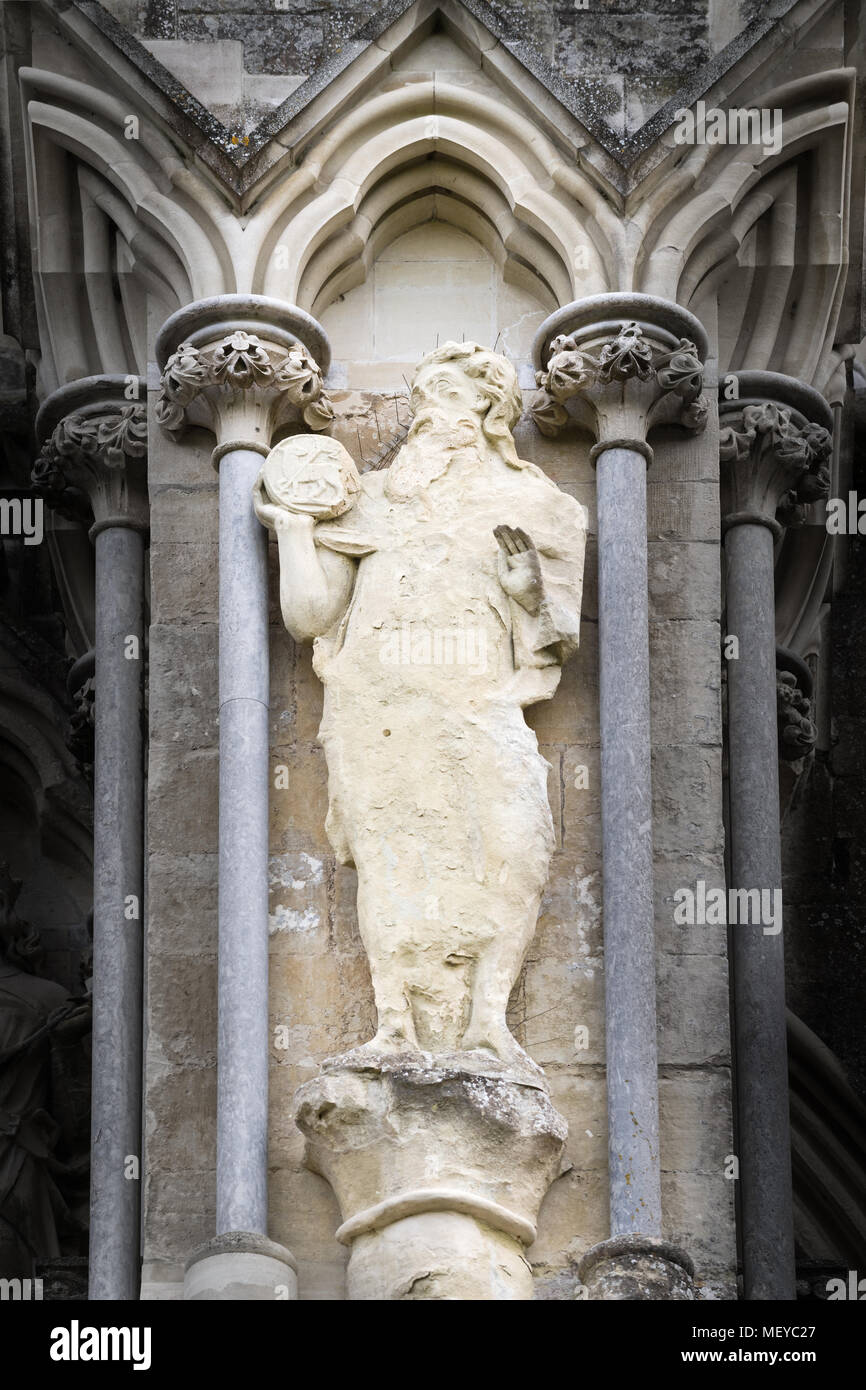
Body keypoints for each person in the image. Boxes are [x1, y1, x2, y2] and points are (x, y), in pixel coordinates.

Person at [255, 342, 587, 1070]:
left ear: (491, 414)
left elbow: (560, 630)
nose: (436, 415)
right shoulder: (370, 502)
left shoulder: (539, 507)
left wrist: (529, 588)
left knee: (513, 848)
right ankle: (394, 1025)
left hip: (479, 707)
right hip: (379, 710)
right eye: (427, 397)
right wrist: (293, 533)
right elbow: (312, 615)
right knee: (388, 861)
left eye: (456, 397)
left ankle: (489, 1026)